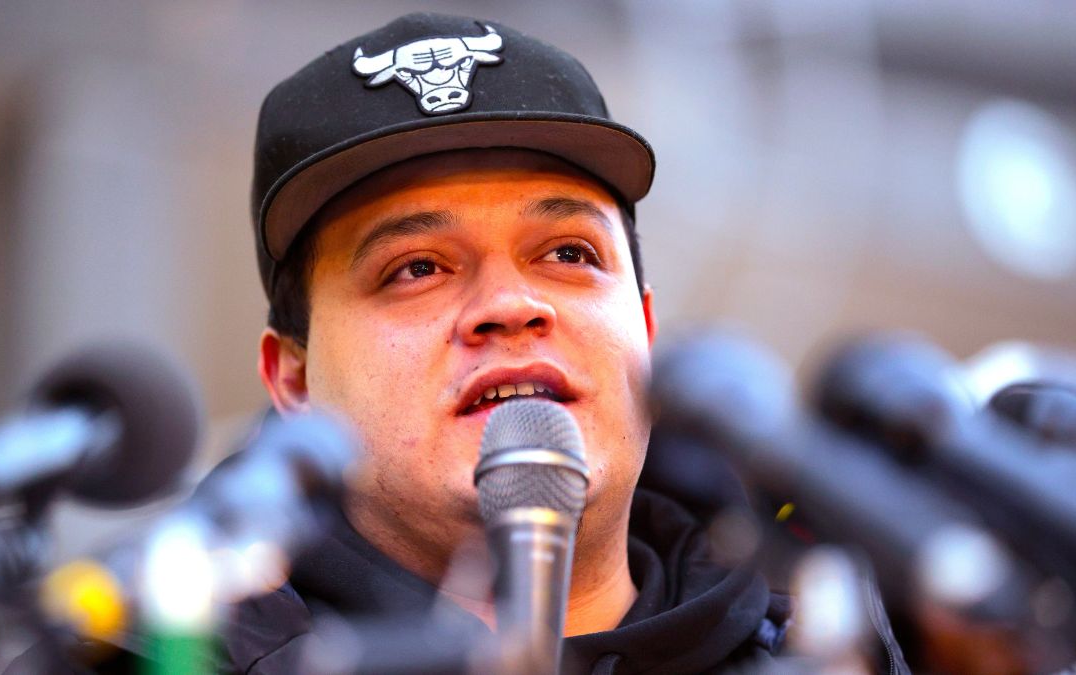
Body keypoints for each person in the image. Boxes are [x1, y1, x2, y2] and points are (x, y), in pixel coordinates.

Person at [225, 12, 788, 674]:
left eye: (569, 252)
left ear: (647, 331)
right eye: (417, 268)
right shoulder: (139, 643)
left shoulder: (857, 645)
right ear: (292, 379)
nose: (510, 305)